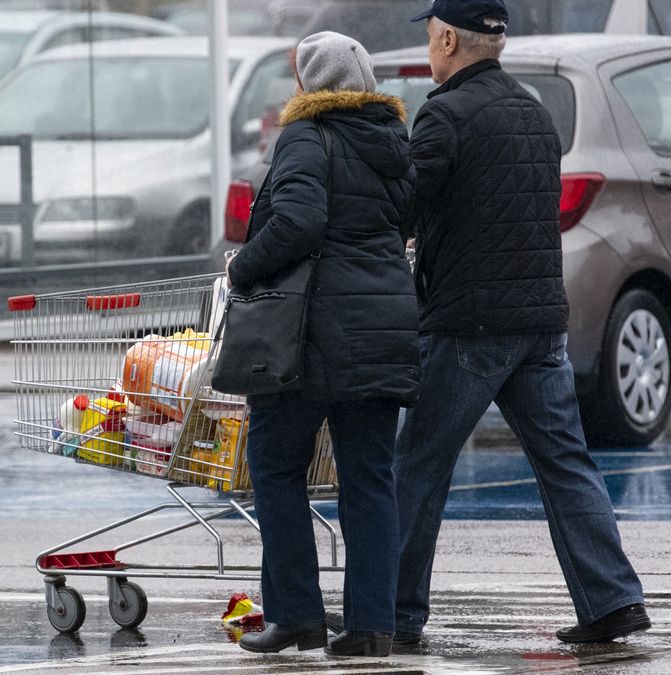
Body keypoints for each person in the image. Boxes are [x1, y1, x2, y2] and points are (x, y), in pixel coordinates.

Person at [390, 0, 649, 646]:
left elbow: (404, 206)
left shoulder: (444, 114)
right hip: (540, 323)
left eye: (430, 35)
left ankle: (391, 611)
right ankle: (613, 598)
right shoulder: (534, 113)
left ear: (448, 38)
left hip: (467, 324)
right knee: (565, 461)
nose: (429, 47)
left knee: (419, 463)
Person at [225, 31, 421, 657]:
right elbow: (407, 220)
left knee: (276, 463)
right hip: (384, 325)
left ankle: (298, 616)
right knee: (369, 476)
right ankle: (370, 628)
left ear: (311, 82)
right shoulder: (392, 140)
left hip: (313, 332)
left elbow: (299, 222)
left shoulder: (307, 136)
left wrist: (242, 267)